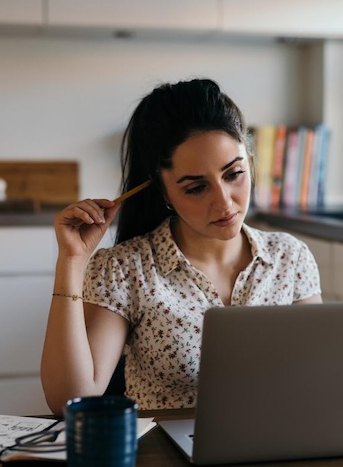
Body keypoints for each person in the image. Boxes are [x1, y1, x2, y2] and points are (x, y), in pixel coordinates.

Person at [41, 78, 322, 414]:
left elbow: (320, 378)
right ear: (163, 192)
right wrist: (71, 261)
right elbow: (69, 401)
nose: (224, 203)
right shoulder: (125, 269)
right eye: (195, 188)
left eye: (234, 174)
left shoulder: (290, 257)